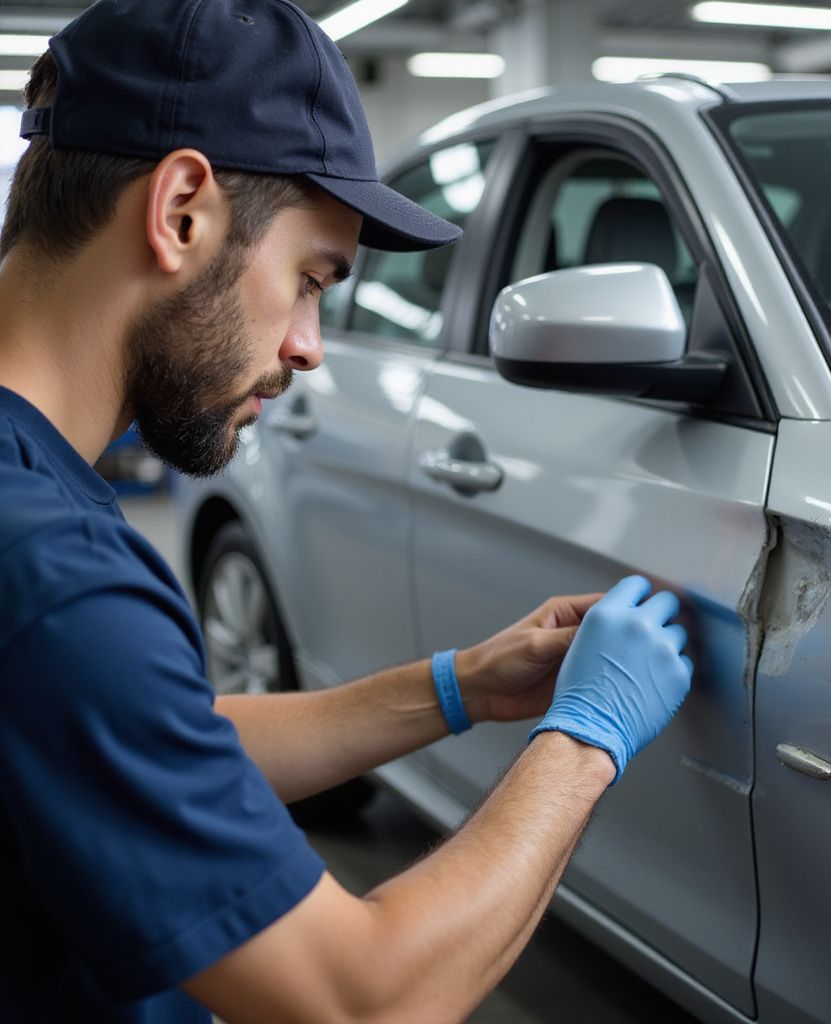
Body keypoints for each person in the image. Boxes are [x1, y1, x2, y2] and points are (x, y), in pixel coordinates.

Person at [0, 1, 694, 1021]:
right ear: (181, 209)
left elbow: (145, 738)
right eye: (309, 279)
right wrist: (585, 738)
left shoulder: (34, 519)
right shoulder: (53, 574)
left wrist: (455, 686)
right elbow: (361, 999)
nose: (311, 346)